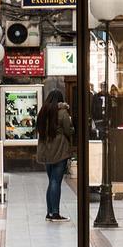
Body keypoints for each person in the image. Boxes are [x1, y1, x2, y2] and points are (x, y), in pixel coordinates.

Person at [35, 89, 74, 221]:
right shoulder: (63, 112)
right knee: (56, 181)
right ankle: (55, 213)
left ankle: (49, 212)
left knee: (51, 181)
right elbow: (68, 131)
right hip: (59, 150)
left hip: (46, 151)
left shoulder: (43, 112)